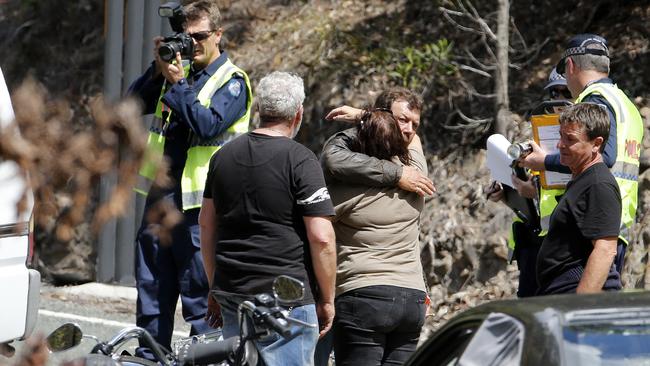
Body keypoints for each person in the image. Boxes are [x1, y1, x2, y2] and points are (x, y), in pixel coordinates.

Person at [128, 0, 252, 352]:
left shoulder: (233, 81)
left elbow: (207, 122)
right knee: (151, 289)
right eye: (186, 37)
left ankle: (204, 360)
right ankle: (149, 356)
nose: (192, 44)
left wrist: (178, 84)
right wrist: (157, 71)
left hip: (202, 209)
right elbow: (130, 105)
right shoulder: (173, 74)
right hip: (160, 199)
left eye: (199, 36)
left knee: (199, 296)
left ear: (218, 34)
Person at [199, 71, 336, 366]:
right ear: (298, 114)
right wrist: (327, 299)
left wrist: (216, 286)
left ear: (258, 109)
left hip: (233, 291)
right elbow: (321, 237)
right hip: (287, 296)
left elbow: (206, 225)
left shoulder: (222, 157)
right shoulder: (301, 160)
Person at [520, 34, 643, 275]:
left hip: (591, 225)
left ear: (570, 66)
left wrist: (543, 161)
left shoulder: (594, 101)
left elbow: (602, 158)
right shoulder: (626, 104)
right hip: (612, 224)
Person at [327, 109, 428, 366]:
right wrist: (368, 116)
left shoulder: (346, 190)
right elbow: (413, 138)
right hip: (412, 298)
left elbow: (331, 157)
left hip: (363, 293)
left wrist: (366, 121)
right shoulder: (417, 175)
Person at [486, 67, 571, 297]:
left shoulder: (578, 140)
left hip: (563, 240)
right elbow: (529, 191)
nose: (560, 99)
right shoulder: (538, 135)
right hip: (533, 239)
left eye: (567, 92)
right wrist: (505, 193)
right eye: (555, 93)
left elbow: (572, 181)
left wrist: (533, 192)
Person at [536, 103, 622, 295]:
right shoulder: (582, 179)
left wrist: (579, 307)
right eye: (561, 136)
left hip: (576, 297)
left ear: (596, 143)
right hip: (560, 292)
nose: (560, 145)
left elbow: (605, 250)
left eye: (570, 139)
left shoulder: (598, 184)